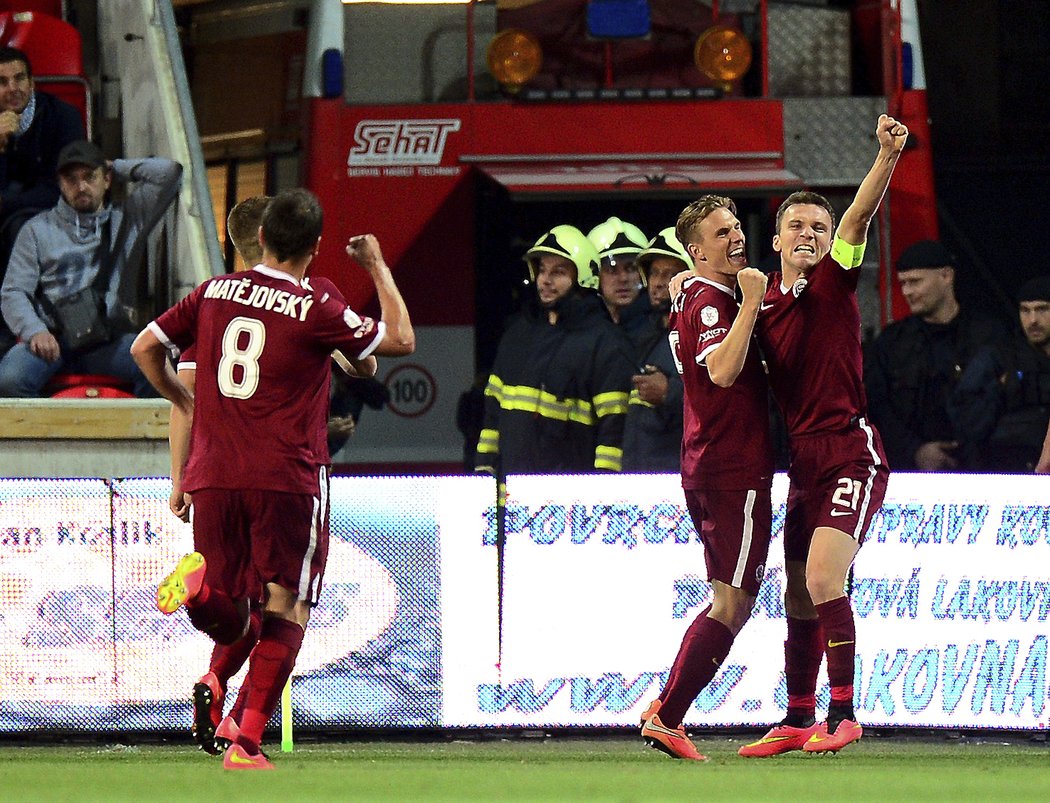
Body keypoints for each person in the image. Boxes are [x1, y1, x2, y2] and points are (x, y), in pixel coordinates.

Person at [131, 188, 414, 770]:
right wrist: (378, 268)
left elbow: (144, 349)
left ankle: (200, 593)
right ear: (313, 246)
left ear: (256, 240)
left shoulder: (211, 295)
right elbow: (392, 346)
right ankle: (248, 741)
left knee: (234, 607)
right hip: (285, 475)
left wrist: (184, 405)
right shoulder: (315, 303)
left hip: (212, 472)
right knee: (288, 605)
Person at [742, 115, 908, 757]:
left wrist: (886, 158)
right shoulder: (761, 305)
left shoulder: (837, 276)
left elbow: (859, 220)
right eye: (798, 226)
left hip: (849, 450)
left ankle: (845, 714)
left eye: (818, 225)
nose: (810, 234)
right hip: (802, 462)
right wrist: (679, 280)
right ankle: (797, 716)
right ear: (777, 239)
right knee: (795, 593)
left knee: (821, 580)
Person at [639, 196, 772, 761]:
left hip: (712, 460)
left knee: (729, 595)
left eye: (737, 226)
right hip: (729, 464)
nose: (736, 237)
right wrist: (755, 303)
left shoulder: (696, 292)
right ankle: (669, 718)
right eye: (722, 233)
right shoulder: (717, 302)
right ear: (696, 251)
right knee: (733, 601)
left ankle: (662, 709)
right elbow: (720, 369)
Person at [0, 140, 181, 397]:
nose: (81, 186)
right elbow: (13, 291)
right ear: (60, 184)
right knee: (8, 381)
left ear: (106, 180)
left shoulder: (128, 219)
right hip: (52, 339)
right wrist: (34, 331)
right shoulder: (36, 229)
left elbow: (169, 173)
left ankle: (134, 437)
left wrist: (115, 166)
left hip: (107, 339)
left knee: (158, 367)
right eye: (71, 179)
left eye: (89, 177)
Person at [475, 224, 633, 474]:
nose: (546, 280)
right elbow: (492, 413)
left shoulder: (606, 343)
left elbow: (614, 428)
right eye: (542, 270)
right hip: (510, 487)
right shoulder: (517, 335)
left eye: (558, 272)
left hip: (568, 495)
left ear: (583, 277)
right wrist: (484, 470)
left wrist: (605, 490)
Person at [864, 239, 1010, 471]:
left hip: (984, 469)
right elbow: (876, 407)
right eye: (903, 283)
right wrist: (916, 451)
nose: (907, 291)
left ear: (946, 276)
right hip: (910, 472)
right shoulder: (891, 343)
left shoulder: (990, 336)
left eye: (915, 282)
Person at [0, 45, 85, 356]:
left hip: (50, 213)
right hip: (10, 212)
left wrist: (6, 204)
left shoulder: (62, 116)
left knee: (23, 228)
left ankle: (16, 330)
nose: (12, 89)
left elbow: (66, 185)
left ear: (32, 82)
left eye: (19, 79)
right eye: (2, 82)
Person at [951, 276, 1050, 472]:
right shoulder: (998, 358)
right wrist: (1000, 389)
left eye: (1042, 309)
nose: (1033, 320)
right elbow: (966, 420)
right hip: (1005, 469)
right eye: (1025, 310)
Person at [622, 227, 689, 473]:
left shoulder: (709, 335)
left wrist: (670, 392)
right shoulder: (642, 335)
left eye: (671, 274)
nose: (659, 283)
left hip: (680, 480)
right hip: (639, 475)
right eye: (655, 273)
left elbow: (728, 408)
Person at [588, 216, 651, 342]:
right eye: (612, 270)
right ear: (594, 275)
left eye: (631, 268)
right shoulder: (583, 333)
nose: (623, 278)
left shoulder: (661, 332)